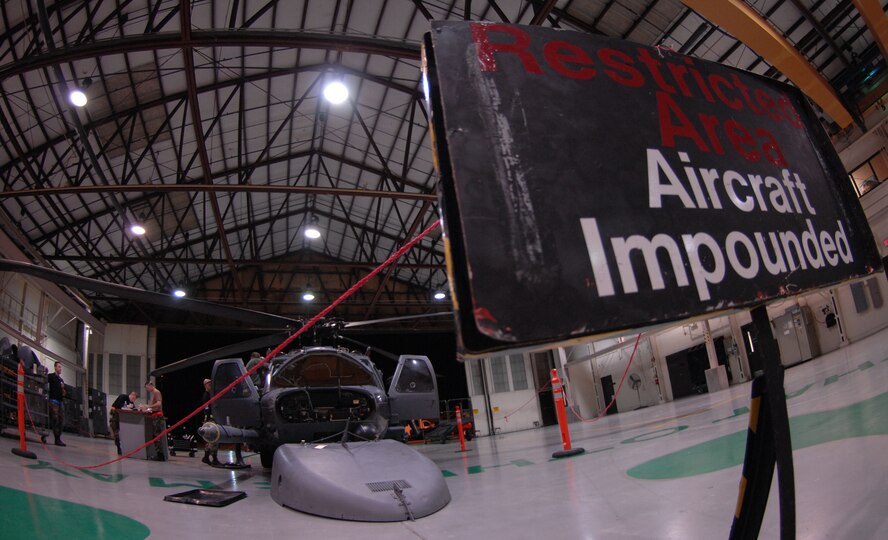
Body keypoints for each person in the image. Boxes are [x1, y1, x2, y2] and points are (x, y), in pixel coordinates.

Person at [141, 380, 165, 461]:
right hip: (155, 416)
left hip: (158, 417)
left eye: (147, 387)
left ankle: (160, 455)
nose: (147, 390)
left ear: (149, 385)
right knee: (155, 435)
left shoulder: (156, 392)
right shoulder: (154, 393)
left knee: (156, 436)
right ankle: (159, 454)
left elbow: (159, 404)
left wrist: (149, 406)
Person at [200, 378, 220, 466]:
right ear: (205, 385)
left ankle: (206, 457)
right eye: (209, 384)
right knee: (214, 439)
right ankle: (214, 458)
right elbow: (207, 409)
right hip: (210, 420)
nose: (211, 385)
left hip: (211, 419)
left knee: (210, 440)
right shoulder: (206, 396)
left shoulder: (210, 395)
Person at [47, 361, 66, 446]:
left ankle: (59, 437)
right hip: (53, 401)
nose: (60, 368)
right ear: (55, 367)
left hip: (60, 401)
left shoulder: (61, 380)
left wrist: (63, 389)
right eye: (59, 367)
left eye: (61, 367)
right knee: (55, 419)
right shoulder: (51, 377)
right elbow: (45, 380)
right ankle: (56, 438)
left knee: (61, 420)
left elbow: (64, 393)